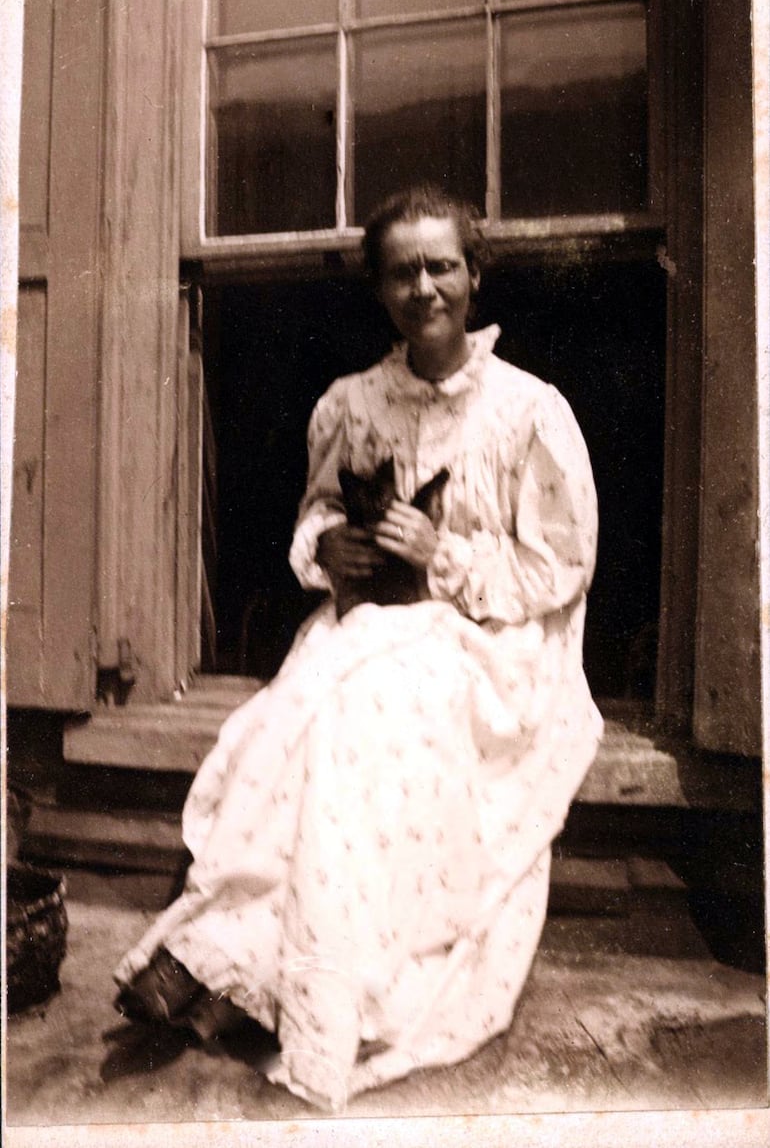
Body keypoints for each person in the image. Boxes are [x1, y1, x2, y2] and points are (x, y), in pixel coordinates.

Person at [113, 185, 603, 1112]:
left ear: (474, 274)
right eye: (402, 272)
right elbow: (320, 514)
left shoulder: (528, 411)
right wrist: (326, 548)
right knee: (283, 725)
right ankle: (219, 960)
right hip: (365, 626)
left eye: (442, 266)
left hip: (481, 641)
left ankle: (271, 981)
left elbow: (560, 567)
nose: (424, 288)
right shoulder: (352, 404)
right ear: (379, 290)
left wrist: (447, 553)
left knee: (358, 721)